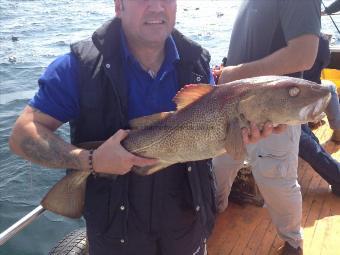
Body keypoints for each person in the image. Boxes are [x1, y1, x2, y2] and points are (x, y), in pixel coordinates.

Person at [8, 0, 280, 254]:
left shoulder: (197, 62)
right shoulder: (79, 67)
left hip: (188, 227)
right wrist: (91, 160)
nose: (156, 7)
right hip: (116, 236)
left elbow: (208, 138)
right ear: (118, 6)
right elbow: (23, 134)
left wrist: (240, 136)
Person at [213, 1, 321, 254]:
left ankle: (293, 242)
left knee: (277, 181)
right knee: (217, 168)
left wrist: (236, 74)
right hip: (232, 110)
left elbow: (304, 54)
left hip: (272, 114)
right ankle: (208, 216)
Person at [301, 33, 340, 196]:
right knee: (308, 144)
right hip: (303, 101)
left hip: (297, 104)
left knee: (307, 143)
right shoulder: (321, 42)